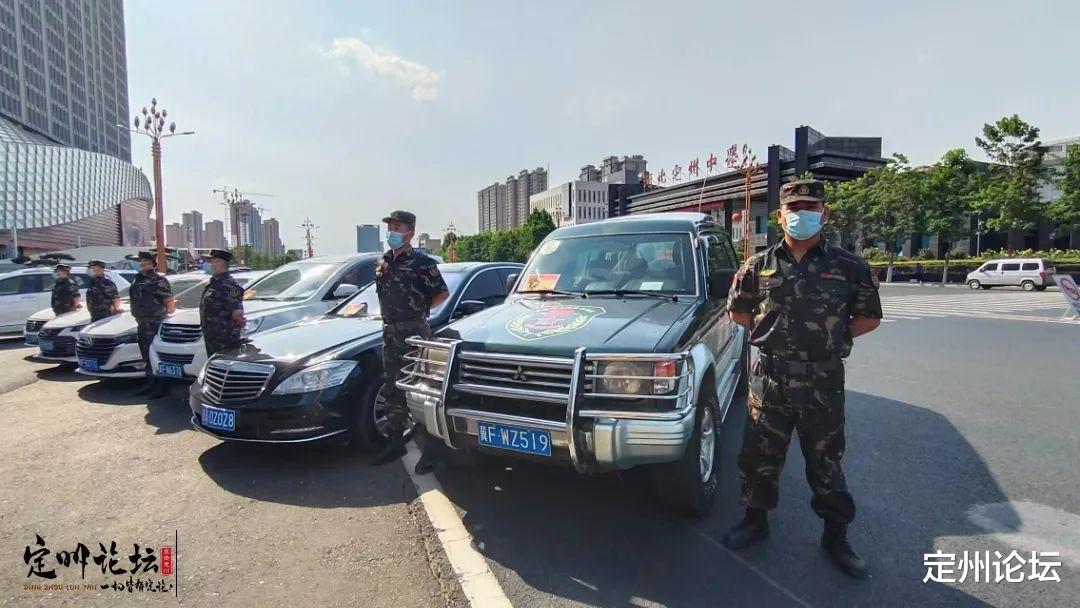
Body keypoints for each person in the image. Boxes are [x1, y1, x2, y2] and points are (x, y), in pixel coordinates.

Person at [722, 179, 883, 579]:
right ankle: (755, 520)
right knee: (759, 457)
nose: (802, 214)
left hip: (822, 383)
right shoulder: (757, 266)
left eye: (810, 207)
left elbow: (868, 318)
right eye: (794, 209)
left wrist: (829, 339)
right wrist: (773, 337)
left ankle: (836, 535)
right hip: (770, 379)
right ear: (780, 217)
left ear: (824, 214)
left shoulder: (849, 267)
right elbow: (739, 314)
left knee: (825, 461)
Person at [371, 210, 450, 473]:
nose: (392, 231)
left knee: (422, 389)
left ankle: (431, 450)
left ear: (410, 232)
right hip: (390, 331)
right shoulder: (383, 262)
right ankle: (395, 442)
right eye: (390, 227)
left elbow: (442, 293)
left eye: (397, 226)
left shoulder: (421, 263)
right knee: (393, 387)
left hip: (414, 331)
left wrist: (420, 310)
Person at [129, 251, 175, 398]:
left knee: (156, 355)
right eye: (141, 262)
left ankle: (162, 387)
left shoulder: (158, 279)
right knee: (146, 355)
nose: (142, 264)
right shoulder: (137, 279)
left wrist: (166, 315)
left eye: (145, 262)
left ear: (152, 263)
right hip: (142, 322)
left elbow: (168, 300)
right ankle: (150, 383)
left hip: (155, 322)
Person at [200, 249, 246, 356]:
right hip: (212, 338)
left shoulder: (229, 285)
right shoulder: (214, 283)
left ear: (220, 263)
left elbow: (237, 314)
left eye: (211, 261)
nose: (208, 264)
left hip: (224, 339)